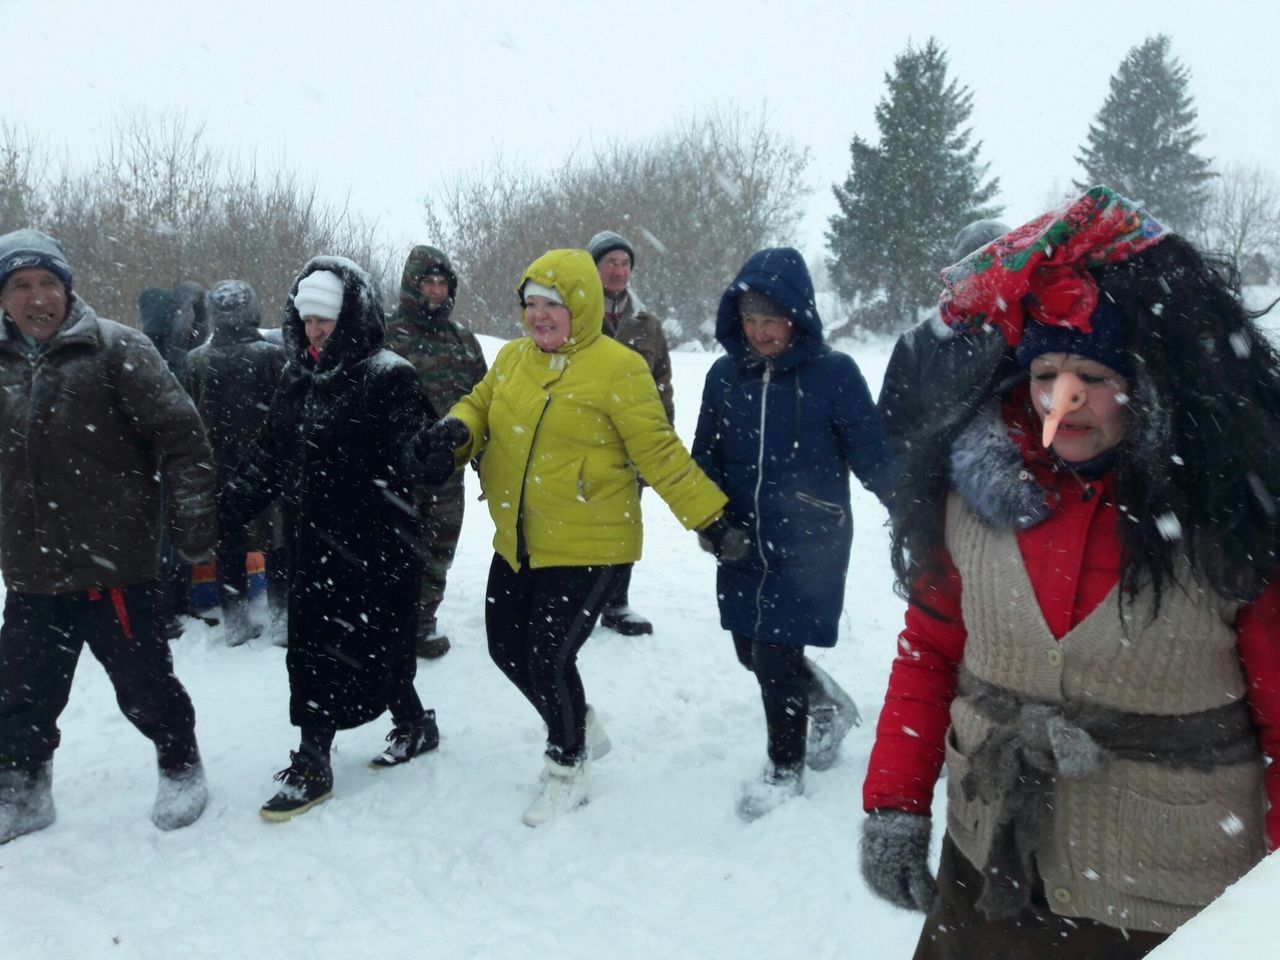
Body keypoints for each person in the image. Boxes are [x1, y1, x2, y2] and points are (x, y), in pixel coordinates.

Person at [859, 187, 1280, 959]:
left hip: (1163, 902)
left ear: (1157, 386)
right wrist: (893, 801)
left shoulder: (1231, 523)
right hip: (988, 873)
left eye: (1095, 372)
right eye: (1045, 371)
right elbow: (930, 649)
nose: (1065, 398)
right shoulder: (972, 498)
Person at [413, 247, 747, 827]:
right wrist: (456, 431)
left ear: (583, 306)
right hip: (519, 536)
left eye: (554, 305)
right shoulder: (514, 360)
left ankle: (567, 763)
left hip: (591, 542)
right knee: (503, 646)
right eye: (532, 304)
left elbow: (659, 453)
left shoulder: (619, 369)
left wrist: (710, 520)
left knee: (547, 654)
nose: (540, 316)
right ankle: (579, 721)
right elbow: (480, 406)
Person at [0, 229, 216, 843]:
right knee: (20, 690)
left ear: (67, 289)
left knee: (145, 682)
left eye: (47, 283)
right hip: (31, 566)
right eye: (21, 286)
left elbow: (183, 439)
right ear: (3, 299)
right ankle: (22, 787)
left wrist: (194, 526)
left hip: (115, 566)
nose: (37, 298)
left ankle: (180, 763)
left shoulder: (118, 349)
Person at [220, 257, 440, 821]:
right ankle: (349, 743)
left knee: (377, 644)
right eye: (307, 318)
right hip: (314, 545)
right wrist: (226, 509)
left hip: (380, 544)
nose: (316, 330)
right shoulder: (299, 376)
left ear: (352, 316)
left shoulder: (390, 375)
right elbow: (270, 455)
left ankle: (339, 754)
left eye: (327, 319)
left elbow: (415, 457)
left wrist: (432, 451)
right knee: (315, 650)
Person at [692, 248, 898, 821]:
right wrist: (713, 523)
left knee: (776, 654)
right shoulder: (724, 376)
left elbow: (874, 456)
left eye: (773, 318)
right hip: (739, 538)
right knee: (749, 650)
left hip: (810, 538)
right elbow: (702, 456)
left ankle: (784, 769)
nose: (760, 331)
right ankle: (825, 704)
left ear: (798, 318)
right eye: (751, 318)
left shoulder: (834, 375)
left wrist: (912, 513)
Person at [385, 245, 487, 660]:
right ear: (412, 284)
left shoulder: (462, 340)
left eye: (443, 282)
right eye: (428, 281)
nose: (436, 290)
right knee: (393, 550)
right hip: (394, 471)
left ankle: (423, 624)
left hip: (447, 470)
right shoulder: (385, 335)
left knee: (439, 548)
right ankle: (390, 624)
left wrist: (487, 463)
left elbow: (484, 403)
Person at [183, 280, 288, 646]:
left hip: (218, 473)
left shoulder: (195, 361)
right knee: (278, 547)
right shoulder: (273, 356)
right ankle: (283, 621)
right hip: (267, 469)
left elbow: (187, 420)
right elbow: (286, 416)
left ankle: (237, 624)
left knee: (229, 550)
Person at [585, 229, 675, 637]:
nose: (619, 271)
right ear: (593, 267)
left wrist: (659, 446)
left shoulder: (647, 325)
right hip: (581, 444)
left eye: (625, 264)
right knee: (578, 524)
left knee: (623, 524)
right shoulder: (572, 315)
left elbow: (661, 387)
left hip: (629, 446)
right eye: (611, 263)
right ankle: (575, 603)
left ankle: (615, 604)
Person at [877, 219, 1013, 457]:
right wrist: (919, 491)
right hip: (940, 489)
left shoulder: (1035, 333)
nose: (990, 280)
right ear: (957, 275)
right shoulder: (917, 344)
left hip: (1020, 489)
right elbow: (891, 435)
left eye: (1003, 266)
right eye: (979, 268)